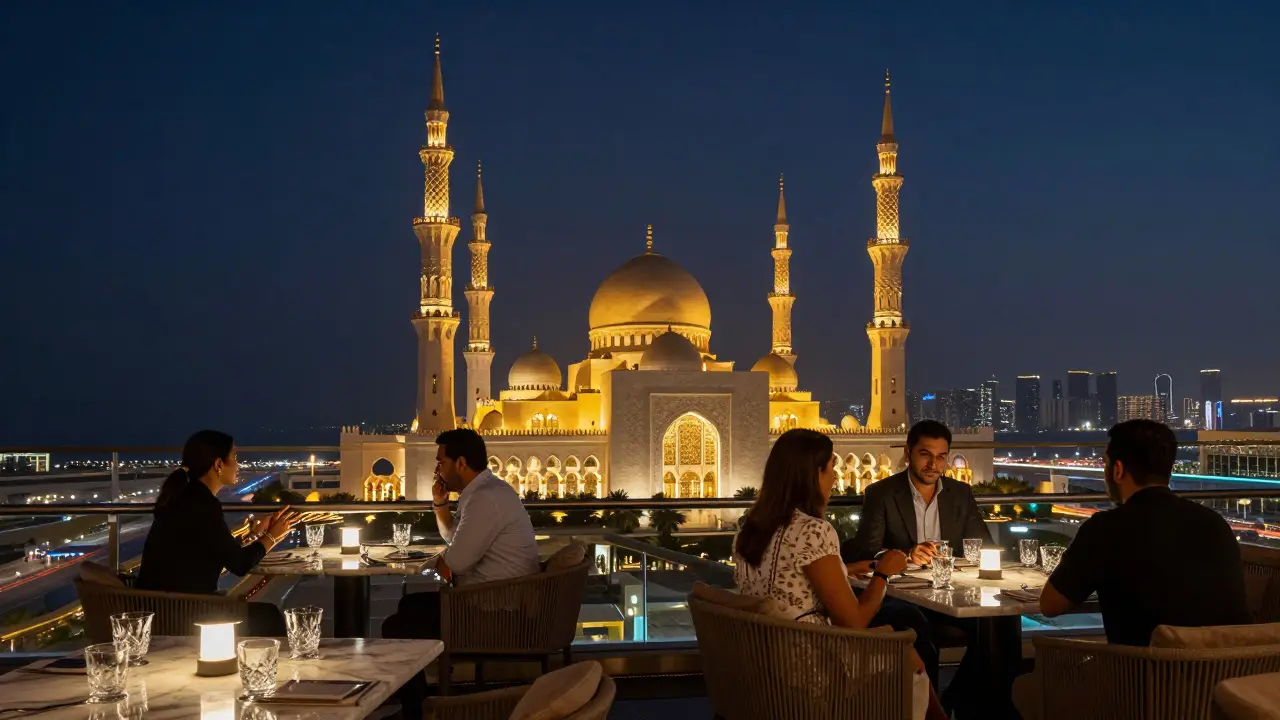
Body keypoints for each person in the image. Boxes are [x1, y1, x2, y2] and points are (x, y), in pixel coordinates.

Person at [1012, 420, 1253, 719]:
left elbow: (1050, 605)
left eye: (1105, 463)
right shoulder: (1214, 524)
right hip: (1224, 685)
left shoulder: (1105, 528)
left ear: (1117, 470)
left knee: (1022, 687)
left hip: (1140, 686)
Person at [733, 428, 948, 720]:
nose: (835, 478)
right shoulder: (813, 531)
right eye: (831, 468)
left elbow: (783, 578)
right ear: (813, 474)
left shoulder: (750, 529)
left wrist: (842, 570)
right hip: (811, 669)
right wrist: (882, 574)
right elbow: (855, 623)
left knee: (904, 639)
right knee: (906, 650)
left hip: (763, 665)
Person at [382, 428, 540, 719]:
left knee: (395, 627)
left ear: (462, 463)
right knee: (409, 606)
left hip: (496, 612)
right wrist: (441, 505)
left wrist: (434, 562)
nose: (437, 469)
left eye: (441, 461)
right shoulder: (484, 491)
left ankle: (419, 712)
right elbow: (455, 542)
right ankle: (428, 698)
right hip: (494, 600)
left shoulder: (485, 498)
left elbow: (455, 564)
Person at [840, 420, 992, 719]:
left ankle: (950, 705)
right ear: (908, 453)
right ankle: (929, 711)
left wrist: (957, 559)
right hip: (902, 596)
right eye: (925, 454)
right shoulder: (882, 493)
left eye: (941, 456)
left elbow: (981, 545)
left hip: (951, 595)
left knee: (999, 630)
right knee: (918, 632)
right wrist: (906, 555)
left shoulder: (960, 494)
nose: (933, 464)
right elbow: (866, 551)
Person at [137, 430, 299, 635]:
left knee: (264, 614)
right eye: (235, 457)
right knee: (268, 616)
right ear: (218, 465)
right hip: (185, 615)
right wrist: (272, 536)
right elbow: (240, 565)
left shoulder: (184, 498)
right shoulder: (203, 505)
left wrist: (254, 536)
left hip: (159, 610)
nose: (239, 465)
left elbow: (214, 548)